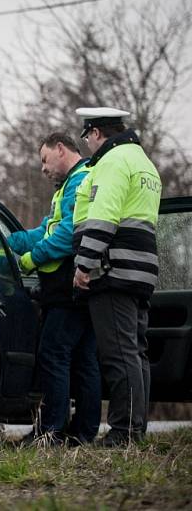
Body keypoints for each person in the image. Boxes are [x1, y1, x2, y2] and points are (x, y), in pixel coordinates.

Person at [72, 107, 162, 447]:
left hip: (113, 270)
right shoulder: (144, 163)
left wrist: (84, 265)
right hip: (140, 270)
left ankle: (122, 432)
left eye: (87, 137)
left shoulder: (112, 162)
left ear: (96, 133)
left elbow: (104, 217)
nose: (88, 145)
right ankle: (135, 428)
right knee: (136, 352)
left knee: (118, 354)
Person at [8, 132, 101, 445]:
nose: (43, 169)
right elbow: (48, 227)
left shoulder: (80, 180)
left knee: (53, 354)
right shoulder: (70, 184)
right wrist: (12, 241)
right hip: (78, 286)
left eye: (45, 159)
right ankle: (83, 433)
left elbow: (66, 234)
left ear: (61, 149)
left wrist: (30, 259)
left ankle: (51, 431)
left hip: (68, 287)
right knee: (84, 359)